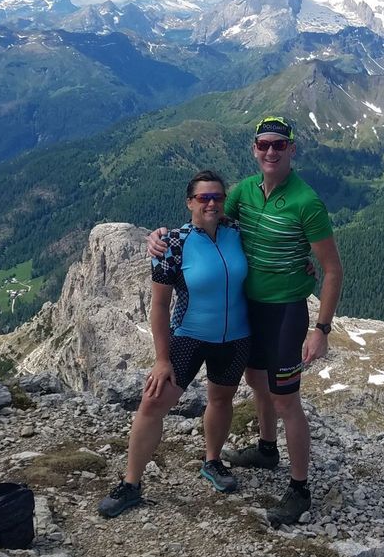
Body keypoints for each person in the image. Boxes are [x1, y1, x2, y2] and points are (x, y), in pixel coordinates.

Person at [147, 116, 343, 527]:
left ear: (292, 149)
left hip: (284, 312)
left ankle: (300, 489)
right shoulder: (243, 192)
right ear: (255, 149)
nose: (271, 151)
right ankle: (267, 448)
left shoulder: (306, 202)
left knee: (286, 399)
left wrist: (321, 329)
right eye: (263, 144)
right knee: (256, 381)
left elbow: (332, 269)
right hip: (248, 307)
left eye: (279, 145)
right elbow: (209, 221)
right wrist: (162, 237)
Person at [99, 171, 251, 518]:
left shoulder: (238, 233)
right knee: (152, 404)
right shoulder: (172, 244)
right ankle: (131, 484)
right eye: (203, 198)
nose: (211, 203)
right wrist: (161, 358)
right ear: (189, 203)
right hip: (188, 336)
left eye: (217, 197)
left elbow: (273, 250)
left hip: (236, 337)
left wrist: (301, 264)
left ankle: (213, 461)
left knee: (221, 399)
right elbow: (159, 305)